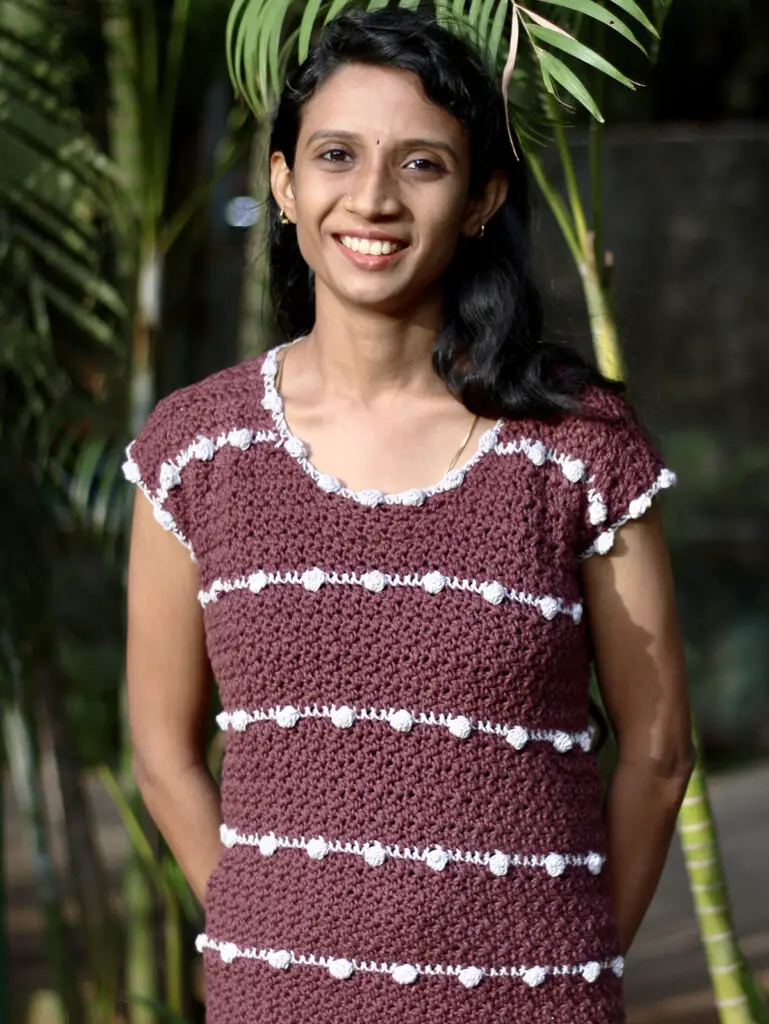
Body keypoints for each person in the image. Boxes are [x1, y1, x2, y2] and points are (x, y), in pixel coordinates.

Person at [123, 8, 694, 1023]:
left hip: (532, 999)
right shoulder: (196, 449)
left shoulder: (576, 444)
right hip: (277, 999)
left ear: (480, 199)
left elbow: (657, 748)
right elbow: (161, 750)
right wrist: (270, 931)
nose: (373, 198)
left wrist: (567, 954)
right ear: (286, 184)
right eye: (337, 155)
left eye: (422, 164)